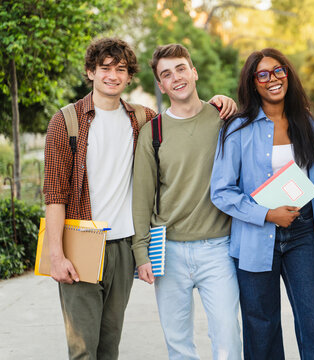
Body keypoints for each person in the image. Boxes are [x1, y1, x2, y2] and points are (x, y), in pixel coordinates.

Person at [43, 37, 236, 360]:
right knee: (82, 349)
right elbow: (55, 194)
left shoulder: (142, 119)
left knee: (109, 345)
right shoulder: (66, 121)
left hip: (122, 245)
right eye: (104, 69)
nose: (112, 76)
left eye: (120, 69)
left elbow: (182, 113)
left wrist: (220, 100)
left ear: (130, 76)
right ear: (90, 72)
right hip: (81, 243)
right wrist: (55, 255)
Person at [210, 48, 314, 360]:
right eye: (263, 74)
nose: (273, 79)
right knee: (261, 326)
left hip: (302, 232)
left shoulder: (304, 121)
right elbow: (221, 191)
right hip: (255, 235)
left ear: (288, 75)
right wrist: (267, 212)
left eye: (279, 71)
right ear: (253, 83)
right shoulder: (237, 129)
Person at [131, 43, 241, 360]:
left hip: (218, 248)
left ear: (193, 72)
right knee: (178, 344)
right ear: (161, 85)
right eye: (167, 74)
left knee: (228, 339)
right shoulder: (153, 132)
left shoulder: (225, 119)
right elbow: (142, 198)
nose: (176, 78)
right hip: (168, 251)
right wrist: (141, 253)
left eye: (181, 69)